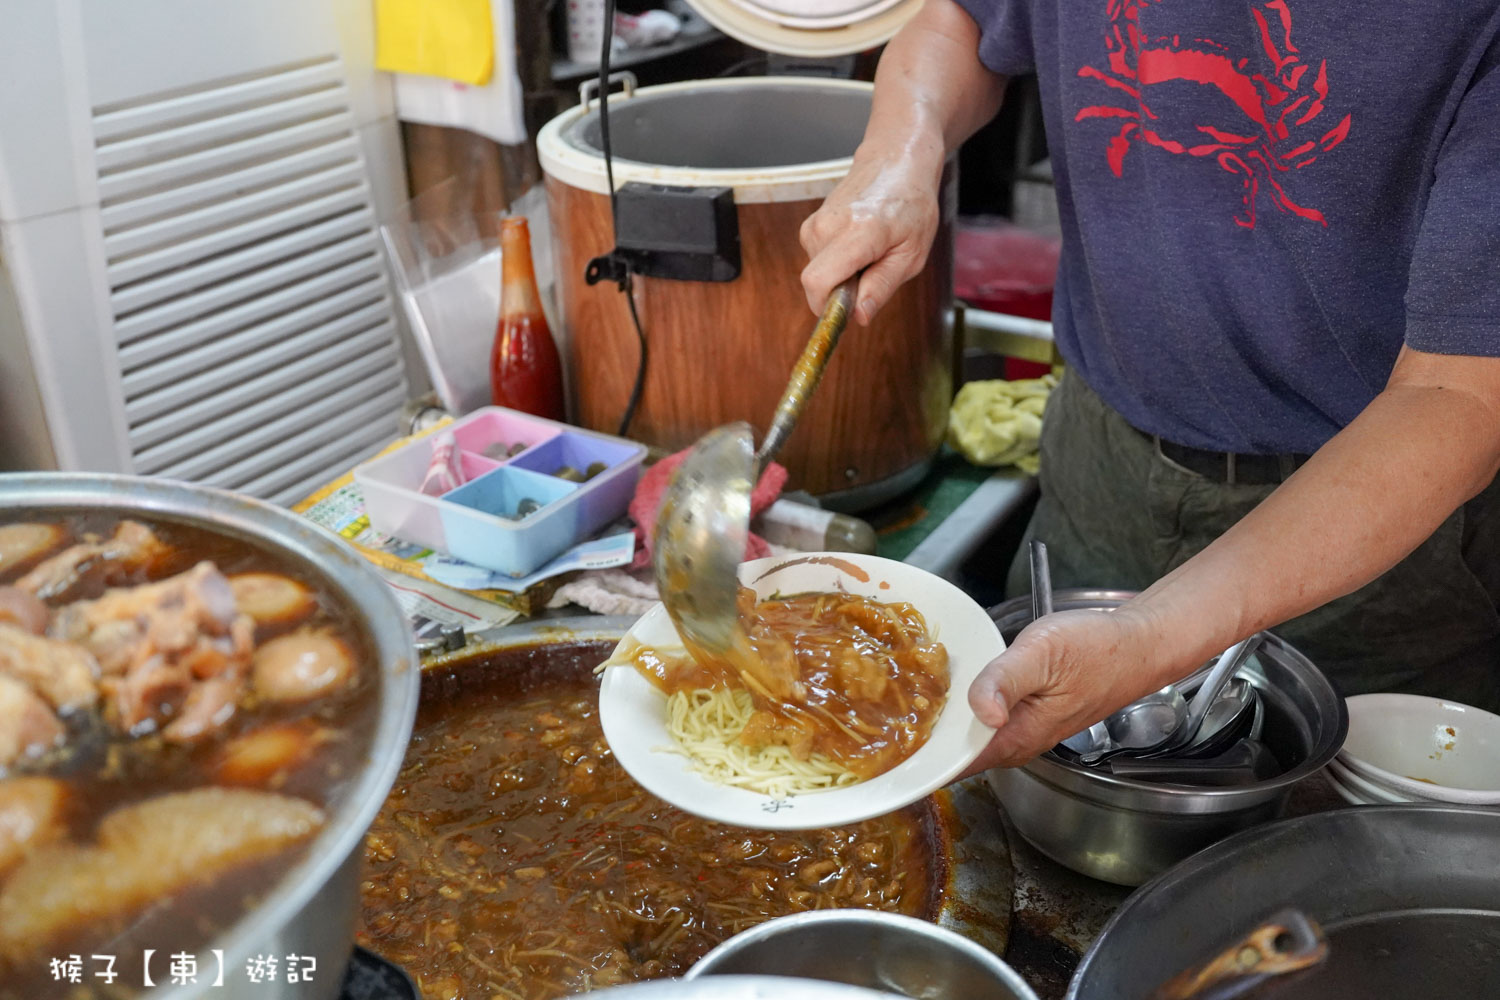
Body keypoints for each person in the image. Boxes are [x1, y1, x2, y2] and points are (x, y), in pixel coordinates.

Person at [799, 0, 1500, 770]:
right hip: (1098, 460)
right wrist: (900, 150)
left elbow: (1459, 399)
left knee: (1335, 843)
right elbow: (959, 25)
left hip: (1375, 529)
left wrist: (1149, 636)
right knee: (1014, 796)